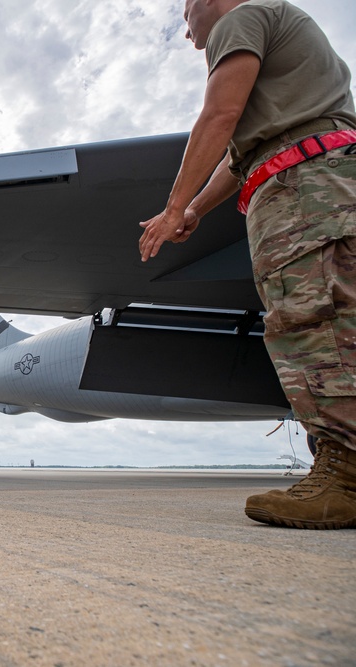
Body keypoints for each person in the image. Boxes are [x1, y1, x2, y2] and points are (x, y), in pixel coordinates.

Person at [138, 0, 356, 528]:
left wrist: (171, 211)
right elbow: (242, 158)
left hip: (304, 190)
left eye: (187, 21)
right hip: (309, 176)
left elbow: (219, 115)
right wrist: (193, 209)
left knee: (313, 323)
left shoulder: (241, 17)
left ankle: (347, 475)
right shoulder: (284, 48)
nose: (190, 39)